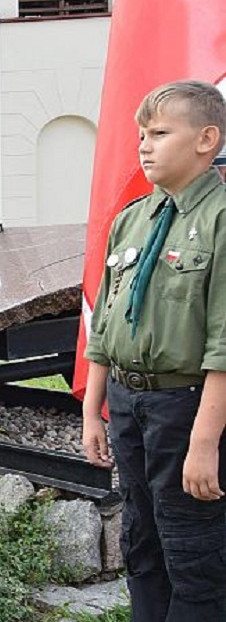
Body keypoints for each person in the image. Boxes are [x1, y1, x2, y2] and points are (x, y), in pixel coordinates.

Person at [81, 80, 226, 622]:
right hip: (129, 403)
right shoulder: (133, 218)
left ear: (206, 139)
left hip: (187, 409)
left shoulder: (219, 219)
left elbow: (223, 344)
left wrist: (205, 443)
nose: (144, 145)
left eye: (160, 133)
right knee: (142, 543)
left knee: (195, 552)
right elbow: (107, 325)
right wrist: (93, 409)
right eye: (142, 134)